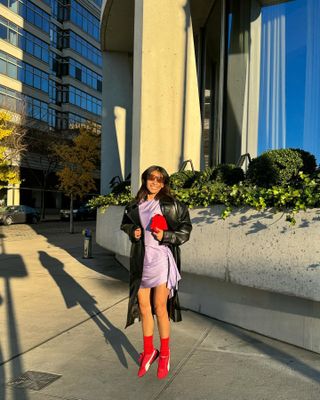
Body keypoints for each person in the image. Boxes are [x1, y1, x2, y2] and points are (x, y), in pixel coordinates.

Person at [120, 165, 192, 379]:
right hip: (142, 260)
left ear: (164, 183)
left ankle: (165, 354)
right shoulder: (135, 204)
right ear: (145, 179)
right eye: (151, 178)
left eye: (160, 179)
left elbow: (185, 230)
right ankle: (150, 350)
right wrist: (132, 232)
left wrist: (166, 236)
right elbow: (125, 224)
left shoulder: (172, 204)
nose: (155, 182)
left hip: (161, 259)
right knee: (143, 307)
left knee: (160, 307)